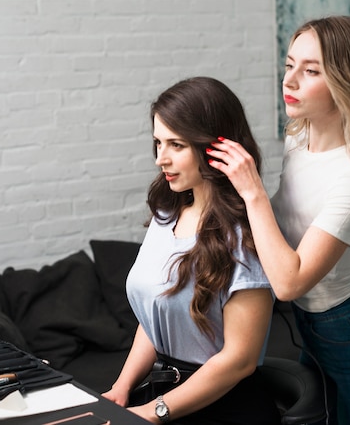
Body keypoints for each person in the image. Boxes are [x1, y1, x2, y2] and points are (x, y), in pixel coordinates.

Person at [207, 15, 350, 424]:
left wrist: (253, 192)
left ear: (347, 82)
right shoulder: (297, 139)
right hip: (315, 334)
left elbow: (289, 282)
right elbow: (278, 234)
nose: (290, 80)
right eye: (289, 65)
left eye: (311, 70)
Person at [102, 76, 281, 424]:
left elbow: (240, 359)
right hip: (161, 395)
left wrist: (156, 412)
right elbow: (156, 315)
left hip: (223, 408)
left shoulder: (246, 238)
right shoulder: (167, 215)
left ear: (216, 148)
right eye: (157, 143)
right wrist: (122, 388)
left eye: (176, 145)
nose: (160, 159)